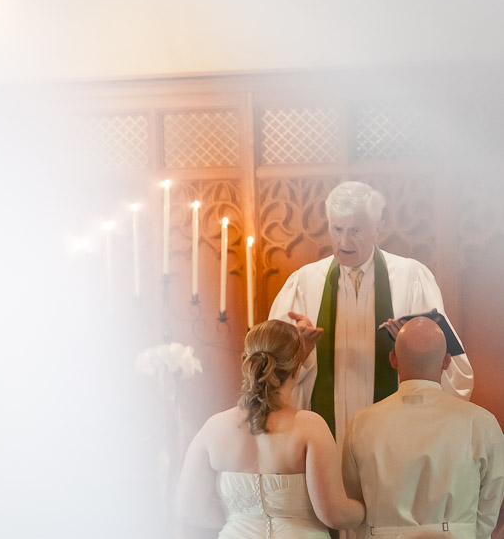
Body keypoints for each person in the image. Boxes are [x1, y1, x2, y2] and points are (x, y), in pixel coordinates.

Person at [268, 181, 472, 449]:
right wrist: (299, 350)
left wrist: (412, 349)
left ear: (378, 226)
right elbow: (270, 376)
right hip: (326, 439)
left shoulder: (412, 278)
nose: (344, 241)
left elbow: (451, 366)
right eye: (337, 229)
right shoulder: (303, 284)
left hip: (396, 441)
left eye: (355, 230)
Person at [176, 320, 364, 538]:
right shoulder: (310, 426)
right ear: (296, 369)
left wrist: (239, 518)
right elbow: (334, 515)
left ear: (245, 363)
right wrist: (365, 507)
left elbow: (187, 509)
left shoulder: (213, 427)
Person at [341, 317, 504, 539]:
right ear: (447, 361)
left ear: (393, 360)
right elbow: (491, 502)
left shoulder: (360, 423)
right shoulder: (481, 422)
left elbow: (354, 500)